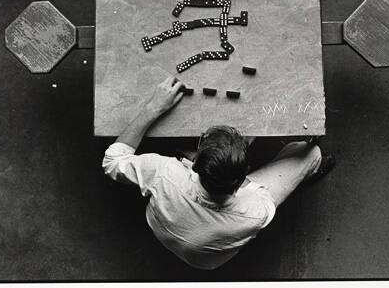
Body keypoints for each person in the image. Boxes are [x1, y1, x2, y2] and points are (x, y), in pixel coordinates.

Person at [102, 76, 334, 270]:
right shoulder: (255, 211)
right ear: (244, 178)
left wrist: (153, 108)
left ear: (194, 163)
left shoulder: (164, 172)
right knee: (310, 153)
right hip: (206, 258)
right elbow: (253, 191)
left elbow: (112, 161)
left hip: (165, 229)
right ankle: (312, 167)